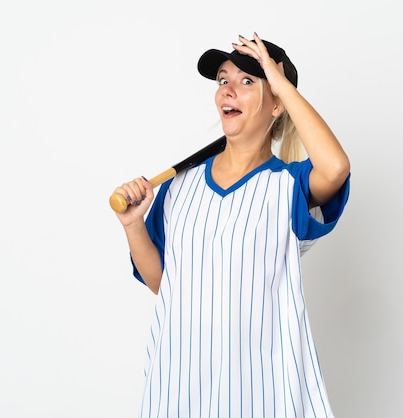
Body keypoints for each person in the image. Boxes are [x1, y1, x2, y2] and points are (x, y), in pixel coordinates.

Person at [112, 33, 350, 418]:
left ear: (276, 103)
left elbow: (336, 167)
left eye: (248, 82)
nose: (228, 91)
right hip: (178, 387)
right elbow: (163, 283)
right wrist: (133, 225)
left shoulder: (290, 186)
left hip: (262, 389)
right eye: (224, 80)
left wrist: (281, 84)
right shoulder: (179, 186)